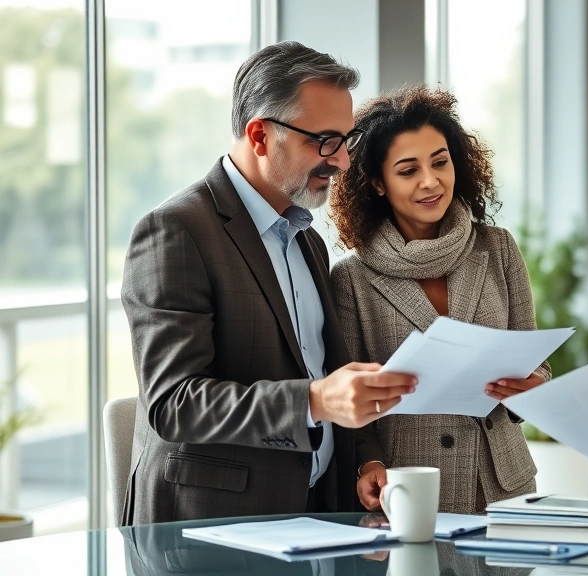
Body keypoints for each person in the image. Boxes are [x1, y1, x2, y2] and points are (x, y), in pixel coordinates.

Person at [119, 41, 416, 526]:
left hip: (315, 517)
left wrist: (366, 458)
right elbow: (174, 403)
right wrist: (314, 400)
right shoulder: (176, 231)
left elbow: (327, 369)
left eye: (347, 139)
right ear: (259, 135)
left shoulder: (306, 240)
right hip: (210, 527)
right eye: (324, 141)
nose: (342, 161)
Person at [329, 85, 548, 515]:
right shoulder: (351, 278)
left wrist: (532, 384)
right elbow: (351, 392)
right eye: (408, 170)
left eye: (440, 162)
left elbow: (533, 352)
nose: (431, 181)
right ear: (377, 183)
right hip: (409, 485)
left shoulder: (498, 248)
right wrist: (367, 462)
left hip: (503, 483)